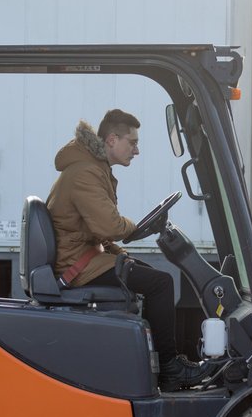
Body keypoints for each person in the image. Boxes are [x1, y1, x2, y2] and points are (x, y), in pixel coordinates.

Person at [45, 109, 214, 391]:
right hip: (76, 265)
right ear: (112, 139)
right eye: (132, 142)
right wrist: (134, 229)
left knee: (147, 274)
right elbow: (109, 225)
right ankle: (170, 369)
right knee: (161, 283)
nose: (136, 150)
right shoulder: (86, 172)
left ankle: (156, 363)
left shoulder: (94, 169)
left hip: (82, 256)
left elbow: (97, 231)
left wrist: (122, 253)